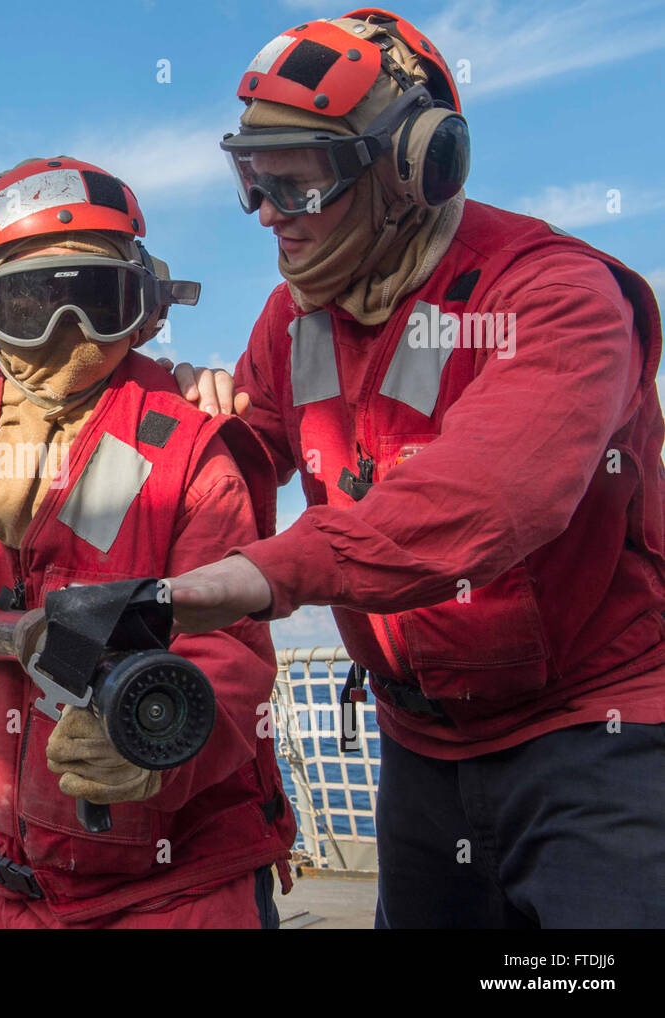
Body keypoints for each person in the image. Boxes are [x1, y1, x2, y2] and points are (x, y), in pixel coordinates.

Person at [164, 9, 665, 928]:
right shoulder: (292, 320)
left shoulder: (557, 296)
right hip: (421, 746)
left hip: (598, 734)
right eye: (254, 181)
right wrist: (182, 430)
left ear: (417, 169)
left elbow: (486, 496)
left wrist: (260, 576)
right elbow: (246, 464)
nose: (270, 215)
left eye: (300, 184)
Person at [0, 157, 295, 929]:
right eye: (30, 304)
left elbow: (231, 650)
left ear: (143, 307)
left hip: (171, 890)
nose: (66, 334)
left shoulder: (190, 447)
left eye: (95, 301)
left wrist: (162, 747)